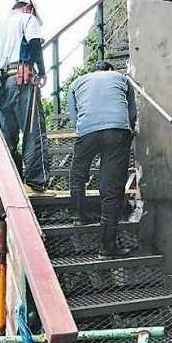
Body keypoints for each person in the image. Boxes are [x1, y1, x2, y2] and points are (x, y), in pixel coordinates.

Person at [0, 0, 54, 197]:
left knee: (7, 137)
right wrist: (41, 71)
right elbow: (34, 43)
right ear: (28, 7)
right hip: (22, 79)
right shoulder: (28, 18)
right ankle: (36, 184)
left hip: (1, 85)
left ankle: (11, 183)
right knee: (33, 131)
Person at [67, 61, 137, 259]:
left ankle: (79, 216)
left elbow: (74, 114)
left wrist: (82, 130)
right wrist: (127, 132)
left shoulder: (77, 82)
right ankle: (107, 248)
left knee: (78, 174)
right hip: (117, 130)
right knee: (112, 188)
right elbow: (132, 112)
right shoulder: (122, 78)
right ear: (110, 70)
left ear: (93, 71)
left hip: (87, 130)